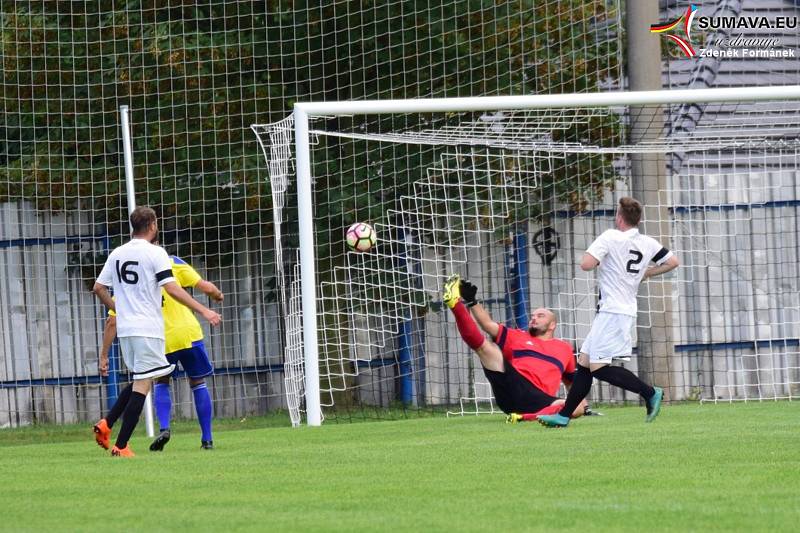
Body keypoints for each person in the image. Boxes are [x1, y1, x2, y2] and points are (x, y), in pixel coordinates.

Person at [538, 197, 680, 428]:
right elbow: (673, 261)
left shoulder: (610, 236)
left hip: (614, 311)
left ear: (619, 217)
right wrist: (647, 273)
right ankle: (564, 415)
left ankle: (650, 392)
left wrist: (597, 256)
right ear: (638, 220)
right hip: (618, 310)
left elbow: (586, 264)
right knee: (584, 363)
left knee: (599, 368)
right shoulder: (647, 242)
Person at [92, 206, 221, 457]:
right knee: (143, 384)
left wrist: (118, 310)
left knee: (142, 378)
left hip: (127, 330)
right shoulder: (156, 253)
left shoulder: (117, 253)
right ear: (152, 225)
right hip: (148, 329)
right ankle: (121, 446)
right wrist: (204, 310)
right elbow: (172, 288)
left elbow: (98, 288)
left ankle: (106, 424)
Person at [442, 274, 587, 421]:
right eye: (532, 316)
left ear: (552, 325)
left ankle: (522, 417)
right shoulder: (517, 336)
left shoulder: (564, 348)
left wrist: (584, 406)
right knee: (487, 349)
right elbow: (487, 325)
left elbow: (571, 383)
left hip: (541, 400)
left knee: (577, 407)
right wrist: (472, 302)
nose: (534, 318)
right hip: (513, 387)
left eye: (540, 315)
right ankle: (455, 304)